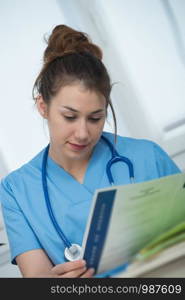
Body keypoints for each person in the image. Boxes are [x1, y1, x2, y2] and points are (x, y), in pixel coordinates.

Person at [0, 25, 181, 278]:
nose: (83, 133)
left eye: (95, 118)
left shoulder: (148, 157)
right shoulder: (16, 190)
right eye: (70, 117)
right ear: (43, 106)